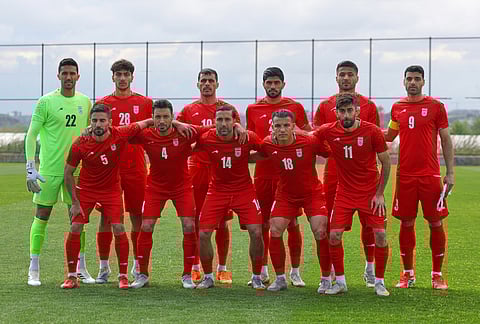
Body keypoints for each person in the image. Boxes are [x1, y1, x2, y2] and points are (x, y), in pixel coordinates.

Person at [61, 103, 153, 289]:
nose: (98, 124)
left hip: (111, 190)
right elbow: (68, 174)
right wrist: (74, 203)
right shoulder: (80, 143)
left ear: (110, 122)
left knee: (119, 227)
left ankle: (122, 276)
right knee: (76, 226)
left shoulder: (120, 133)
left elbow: (148, 122)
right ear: (90, 123)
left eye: (102, 120)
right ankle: (72, 276)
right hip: (86, 190)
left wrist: (177, 124)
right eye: (94, 121)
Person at [25, 58, 95, 286]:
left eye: (72, 73)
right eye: (64, 73)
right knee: (41, 216)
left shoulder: (85, 101)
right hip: (48, 171)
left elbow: (90, 135)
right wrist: (30, 167)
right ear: (58, 76)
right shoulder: (46, 102)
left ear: (78, 76)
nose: (68, 77)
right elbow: (31, 134)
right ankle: (33, 268)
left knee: (77, 220)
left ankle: (81, 268)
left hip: (75, 172)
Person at [313, 94, 391, 296]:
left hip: (370, 193)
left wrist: (380, 193)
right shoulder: (329, 130)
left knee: (381, 235)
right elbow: (310, 137)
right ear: (336, 113)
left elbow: (386, 162)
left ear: (357, 111)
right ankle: (340, 282)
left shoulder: (372, 131)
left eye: (350, 110)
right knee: (334, 235)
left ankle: (380, 282)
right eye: (342, 111)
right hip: (345, 193)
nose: (346, 115)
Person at [128, 99, 210, 289]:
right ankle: (142, 274)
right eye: (158, 117)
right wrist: (147, 123)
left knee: (189, 225)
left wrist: (237, 125)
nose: (162, 121)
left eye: (166, 117)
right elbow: (123, 133)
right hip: (155, 187)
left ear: (172, 117)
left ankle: (187, 275)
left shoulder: (185, 132)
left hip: (182, 187)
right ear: (153, 118)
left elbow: (211, 129)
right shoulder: (146, 134)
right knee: (146, 226)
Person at [385, 65, 454, 290]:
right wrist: (361, 128)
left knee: (435, 222)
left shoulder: (436, 107)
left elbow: (445, 139)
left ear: (423, 82)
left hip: (430, 175)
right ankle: (408, 274)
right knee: (406, 223)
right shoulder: (397, 108)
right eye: (409, 79)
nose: (412, 82)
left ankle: (437, 275)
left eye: (416, 79)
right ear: (403, 82)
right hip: (404, 174)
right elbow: (389, 135)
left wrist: (450, 172)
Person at [250, 110, 330, 292]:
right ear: (272, 128)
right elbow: (255, 155)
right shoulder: (268, 144)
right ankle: (280, 279)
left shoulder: (309, 141)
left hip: (312, 194)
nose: (282, 129)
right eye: (278, 126)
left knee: (320, 230)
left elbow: (330, 152)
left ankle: (325, 278)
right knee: (275, 229)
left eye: (286, 125)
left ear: (293, 127)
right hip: (286, 195)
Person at [245, 66, 312, 287]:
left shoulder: (295, 107)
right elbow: (251, 140)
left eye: (276, 83)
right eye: (269, 83)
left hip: (289, 177)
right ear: (263, 84)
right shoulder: (253, 108)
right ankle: (263, 270)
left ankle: (295, 271)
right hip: (263, 175)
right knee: (263, 224)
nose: (273, 86)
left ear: (283, 84)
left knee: (292, 223)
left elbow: (308, 136)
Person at [176, 68, 240, 284]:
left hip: (222, 171)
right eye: (203, 80)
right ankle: (195, 266)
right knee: (195, 221)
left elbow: (237, 133)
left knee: (222, 223)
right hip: (196, 170)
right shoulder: (188, 110)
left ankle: (222, 268)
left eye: (210, 80)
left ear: (217, 84)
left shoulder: (227, 110)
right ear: (197, 84)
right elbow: (180, 135)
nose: (207, 84)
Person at [95, 59, 153, 284]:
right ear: (112, 77)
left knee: (137, 216)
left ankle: (138, 266)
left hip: (137, 167)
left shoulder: (145, 103)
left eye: (125, 74)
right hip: (110, 168)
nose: (122, 78)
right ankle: (104, 267)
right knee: (108, 217)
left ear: (132, 77)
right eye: (118, 74)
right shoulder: (103, 103)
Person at [194, 105, 265, 289]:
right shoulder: (206, 138)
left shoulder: (246, 137)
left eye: (227, 119)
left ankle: (257, 276)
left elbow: (266, 150)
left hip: (243, 190)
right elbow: (189, 146)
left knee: (256, 232)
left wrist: (248, 158)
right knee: (203, 234)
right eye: (220, 120)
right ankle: (208, 276)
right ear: (214, 122)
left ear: (234, 121)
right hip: (217, 190)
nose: (223, 123)